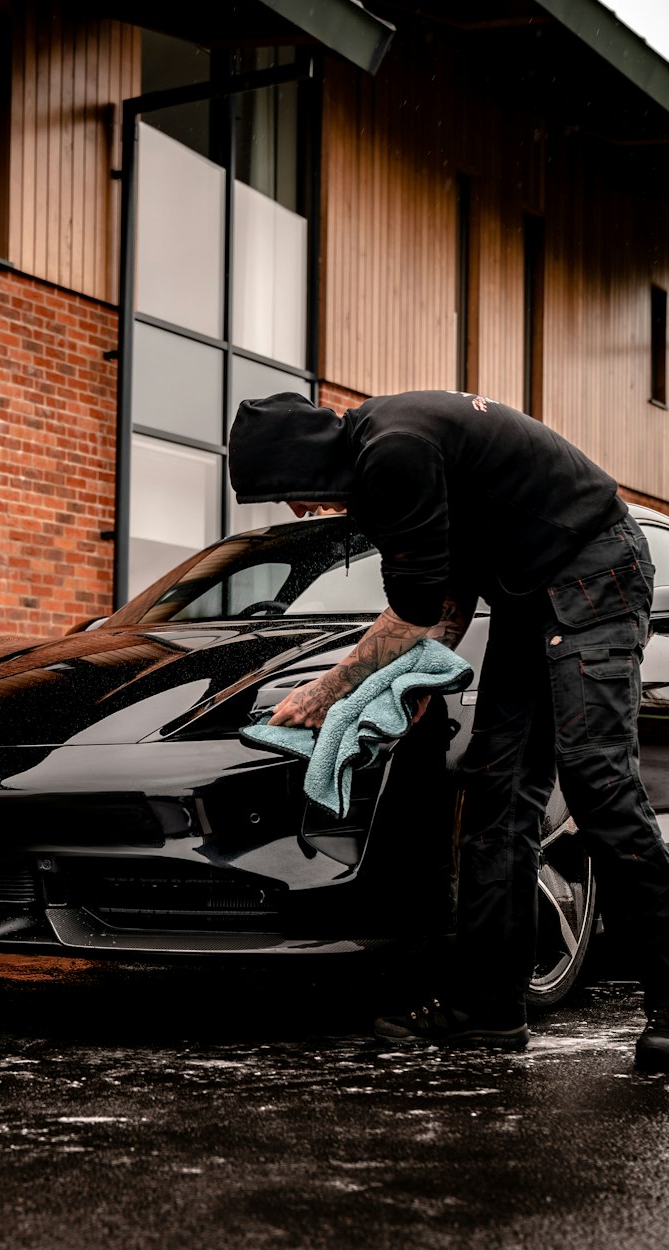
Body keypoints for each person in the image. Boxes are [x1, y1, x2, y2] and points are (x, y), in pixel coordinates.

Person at [228, 389, 669, 1068]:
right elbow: (444, 604)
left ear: (301, 458)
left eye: (286, 490)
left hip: (595, 571)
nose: (296, 509)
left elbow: (407, 616)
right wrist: (413, 684)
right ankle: (488, 1008)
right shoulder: (389, 454)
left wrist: (326, 695)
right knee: (497, 791)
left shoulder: (391, 450)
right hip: (530, 597)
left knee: (595, 777)